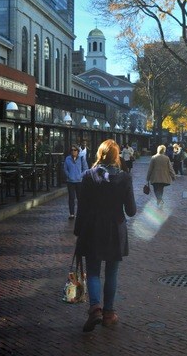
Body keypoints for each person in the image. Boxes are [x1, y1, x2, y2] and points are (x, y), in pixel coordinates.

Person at [74, 139, 136, 332]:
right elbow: (131, 210)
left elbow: (81, 207)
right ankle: (109, 314)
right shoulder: (124, 178)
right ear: (116, 156)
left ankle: (95, 309)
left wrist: (78, 231)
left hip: (92, 228)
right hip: (115, 230)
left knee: (93, 271)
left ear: (99, 154)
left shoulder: (87, 176)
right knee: (111, 272)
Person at [63, 144, 89, 219]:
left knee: (80, 198)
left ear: (78, 151)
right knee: (71, 197)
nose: (73, 151)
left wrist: (80, 176)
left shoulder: (81, 158)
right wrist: (69, 175)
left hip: (79, 181)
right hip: (70, 181)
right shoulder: (67, 158)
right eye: (72, 150)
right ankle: (71, 214)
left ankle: (80, 213)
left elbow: (86, 168)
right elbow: (65, 169)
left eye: (75, 150)